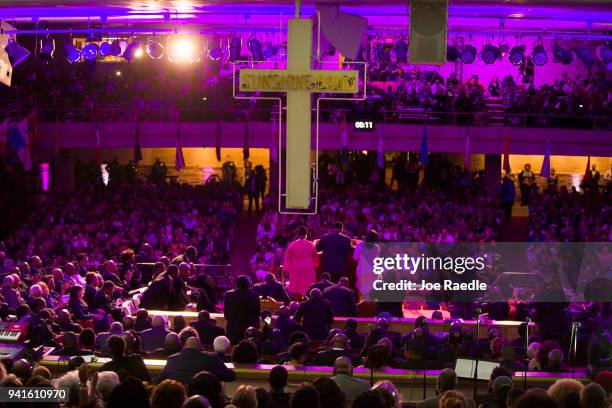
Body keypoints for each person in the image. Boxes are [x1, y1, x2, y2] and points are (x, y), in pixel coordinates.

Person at [156, 336, 236, 384]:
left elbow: (158, 381)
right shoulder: (211, 358)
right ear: (202, 348)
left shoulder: (172, 359)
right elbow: (231, 376)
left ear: (184, 347)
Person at [224, 275, 261, 344]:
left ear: (236, 284)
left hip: (232, 331)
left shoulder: (228, 295)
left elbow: (226, 315)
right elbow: (257, 314)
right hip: (248, 333)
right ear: (248, 284)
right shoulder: (254, 296)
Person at [284, 227, 318, 297]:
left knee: (296, 289)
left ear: (298, 235)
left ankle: (297, 305)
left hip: (296, 268)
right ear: (306, 235)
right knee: (308, 288)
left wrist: (288, 269)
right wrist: (315, 266)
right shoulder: (311, 244)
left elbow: (287, 259)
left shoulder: (292, 245)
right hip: (308, 268)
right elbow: (315, 258)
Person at [353, 230, 380, 301]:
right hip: (372, 271)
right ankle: (370, 308)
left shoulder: (359, 245)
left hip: (362, 270)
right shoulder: (377, 247)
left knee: (361, 292)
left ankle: (361, 307)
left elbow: (355, 258)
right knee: (371, 291)